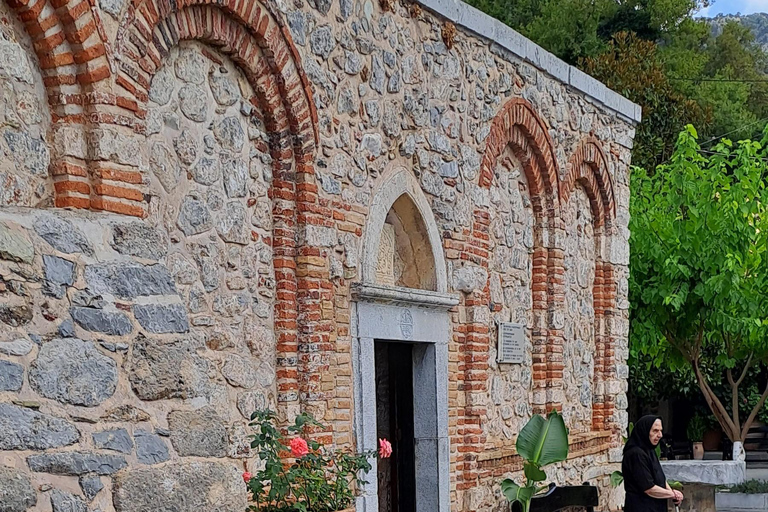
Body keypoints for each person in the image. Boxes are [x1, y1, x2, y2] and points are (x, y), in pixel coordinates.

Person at [622, 415, 684, 512]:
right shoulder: (636, 454)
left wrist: (671, 492)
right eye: (655, 431)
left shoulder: (649, 450)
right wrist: (672, 494)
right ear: (645, 431)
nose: (660, 435)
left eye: (660, 430)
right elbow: (649, 488)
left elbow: (659, 478)